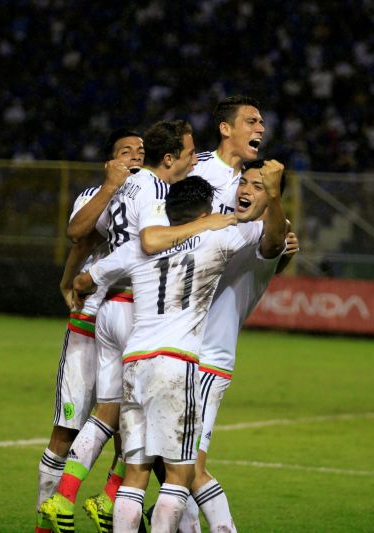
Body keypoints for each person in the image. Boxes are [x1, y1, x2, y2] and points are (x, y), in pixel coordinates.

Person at [40, 120, 236, 533]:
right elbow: (148, 241)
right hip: (136, 307)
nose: (193, 159)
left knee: (111, 412)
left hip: (105, 304)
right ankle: (88, 496)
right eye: (188, 153)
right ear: (169, 159)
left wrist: (79, 277)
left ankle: (75, 497)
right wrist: (207, 224)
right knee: (126, 421)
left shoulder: (122, 187)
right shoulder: (153, 189)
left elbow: (90, 239)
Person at [71, 170, 284, 533]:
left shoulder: (141, 245)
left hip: (134, 363)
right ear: (205, 211)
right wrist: (272, 195)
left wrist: (78, 290)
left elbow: (84, 280)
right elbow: (270, 236)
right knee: (179, 474)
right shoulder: (218, 237)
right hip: (177, 364)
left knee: (135, 473)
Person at [186, 96, 298, 531]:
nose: (261, 128)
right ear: (225, 128)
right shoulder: (205, 183)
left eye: (259, 187)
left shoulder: (264, 233)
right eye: (252, 120)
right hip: (173, 348)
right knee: (166, 466)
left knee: (188, 468)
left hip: (208, 358)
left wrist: (272, 197)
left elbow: (273, 245)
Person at [34, 128, 141, 533]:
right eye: (124, 151)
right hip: (89, 319)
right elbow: (78, 235)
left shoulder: (151, 195)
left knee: (129, 424)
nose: (134, 155)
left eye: (140, 151)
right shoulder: (94, 195)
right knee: (67, 425)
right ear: (109, 162)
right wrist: (112, 187)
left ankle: (111, 508)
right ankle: (45, 519)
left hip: (129, 315)